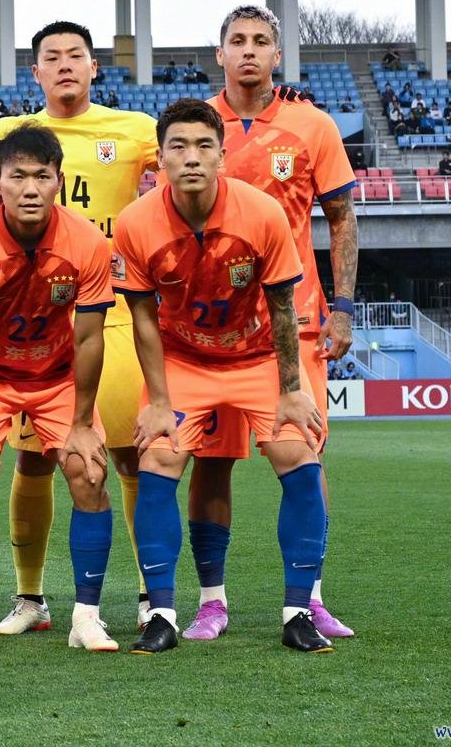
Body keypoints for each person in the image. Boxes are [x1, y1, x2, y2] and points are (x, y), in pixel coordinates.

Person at [114, 97, 332, 655]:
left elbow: (283, 308)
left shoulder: (262, 213)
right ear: (160, 158)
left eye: (203, 146)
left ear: (222, 156)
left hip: (257, 357)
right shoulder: (134, 223)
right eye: (178, 147)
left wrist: (291, 391)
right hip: (184, 361)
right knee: (159, 458)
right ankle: (162, 614)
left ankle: (298, 612)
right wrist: (157, 400)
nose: (191, 157)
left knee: (299, 456)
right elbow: (143, 319)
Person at [0, 20, 159, 637]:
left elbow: (202, 155)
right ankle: (30, 598)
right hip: (35, 327)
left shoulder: (134, 130)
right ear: (34, 72)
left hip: (113, 318)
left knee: (129, 455)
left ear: (93, 67)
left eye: (75, 55)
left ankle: (150, 594)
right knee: (33, 463)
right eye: (51, 57)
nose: (64, 65)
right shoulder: (5, 136)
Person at [188, 5, 357, 641]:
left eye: (261, 41)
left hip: (297, 321)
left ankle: (310, 597)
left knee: (306, 459)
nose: (249, 51)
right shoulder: (194, 127)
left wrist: (344, 307)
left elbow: (341, 219)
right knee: (211, 462)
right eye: (237, 41)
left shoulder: (313, 125)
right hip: (211, 330)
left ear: (277, 55)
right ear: (220, 54)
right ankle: (211, 601)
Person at [0, 124, 116, 655]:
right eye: (17, 176)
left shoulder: (87, 242)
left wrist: (82, 423)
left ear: (59, 181)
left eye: (42, 176)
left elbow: (89, 338)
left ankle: (86, 617)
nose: (30, 188)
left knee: (90, 471)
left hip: (57, 376)